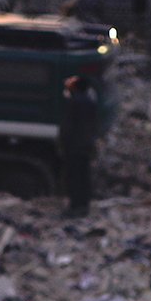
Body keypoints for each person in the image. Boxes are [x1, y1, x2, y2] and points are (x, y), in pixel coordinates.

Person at [59, 75, 98, 216]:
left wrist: (63, 144)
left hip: (74, 147)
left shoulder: (74, 103)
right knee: (84, 176)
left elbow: (68, 127)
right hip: (86, 146)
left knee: (73, 177)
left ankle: (75, 206)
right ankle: (84, 205)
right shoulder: (91, 103)